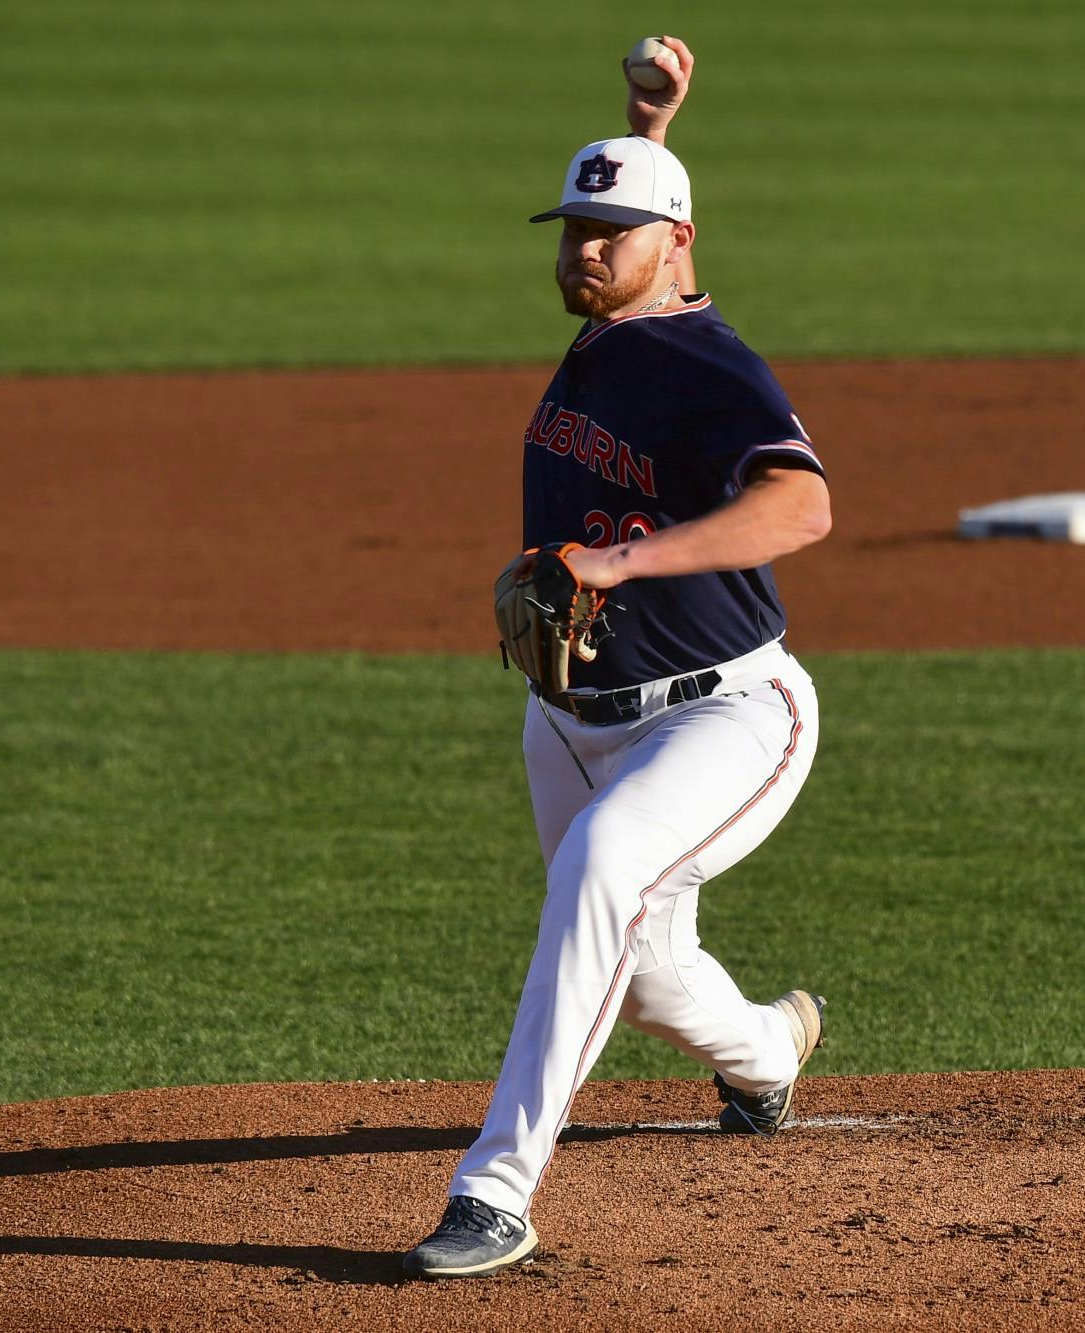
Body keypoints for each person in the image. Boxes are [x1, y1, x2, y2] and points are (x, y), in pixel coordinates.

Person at [401, 37, 834, 1280]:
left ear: (678, 243)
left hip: (726, 714)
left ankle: (494, 1193)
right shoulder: (613, 323)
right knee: (643, 976)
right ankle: (766, 1056)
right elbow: (641, 223)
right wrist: (645, 127)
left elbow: (801, 509)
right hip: (570, 716)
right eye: (572, 227)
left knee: (598, 871)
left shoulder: (712, 366)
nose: (584, 248)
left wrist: (626, 563)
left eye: (612, 231)